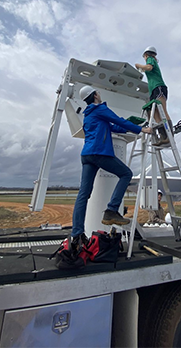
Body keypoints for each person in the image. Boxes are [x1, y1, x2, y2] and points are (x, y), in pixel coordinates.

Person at [71, 85, 152, 248]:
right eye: (98, 92)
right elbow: (117, 119)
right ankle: (111, 210)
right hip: (99, 153)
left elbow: (114, 127)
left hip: (87, 156)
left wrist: (131, 124)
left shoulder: (88, 115)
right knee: (126, 174)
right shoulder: (99, 109)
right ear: (94, 96)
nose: (100, 94)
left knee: (83, 194)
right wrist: (142, 129)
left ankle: (77, 233)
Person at [135, 46, 172, 146]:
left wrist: (139, 66)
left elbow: (149, 67)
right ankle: (163, 136)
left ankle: (169, 136)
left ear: (146, 55)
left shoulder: (150, 59)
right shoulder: (151, 60)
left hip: (158, 87)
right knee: (155, 115)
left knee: (163, 111)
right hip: (153, 91)